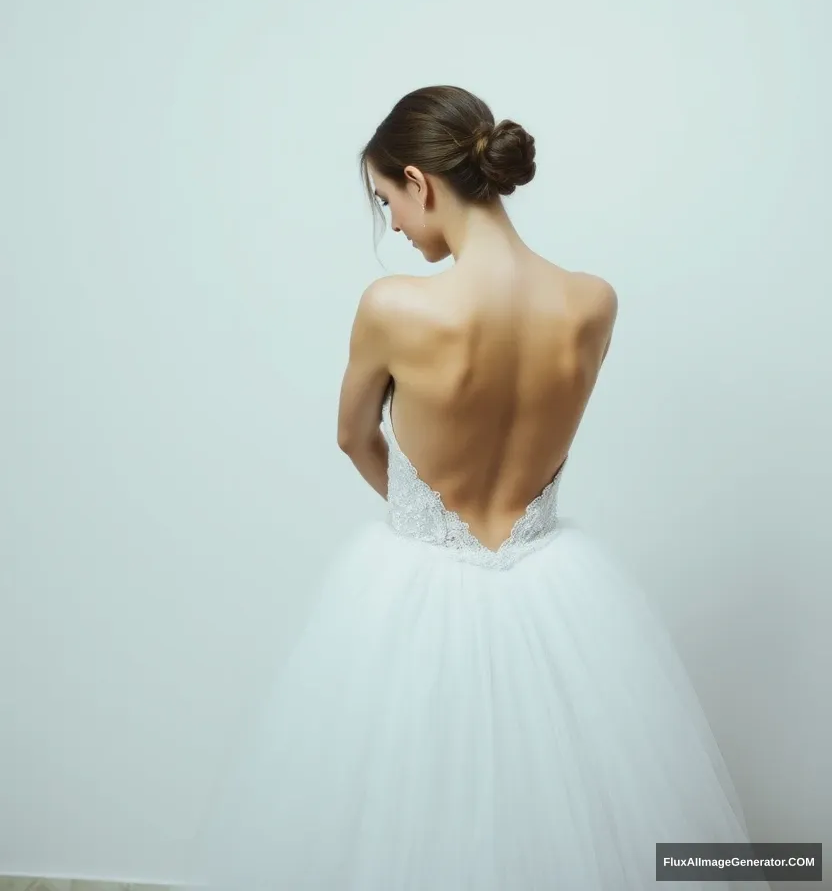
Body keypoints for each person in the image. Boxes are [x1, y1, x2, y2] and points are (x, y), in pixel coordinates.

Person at [189, 86, 764, 889]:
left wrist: (424, 515)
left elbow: (353, 436)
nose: (391, 222)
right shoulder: (593, 304)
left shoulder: (394, 307)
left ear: (421, 182)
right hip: (555, 587)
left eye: (387, 198)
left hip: (412, 587)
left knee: (397, 810)